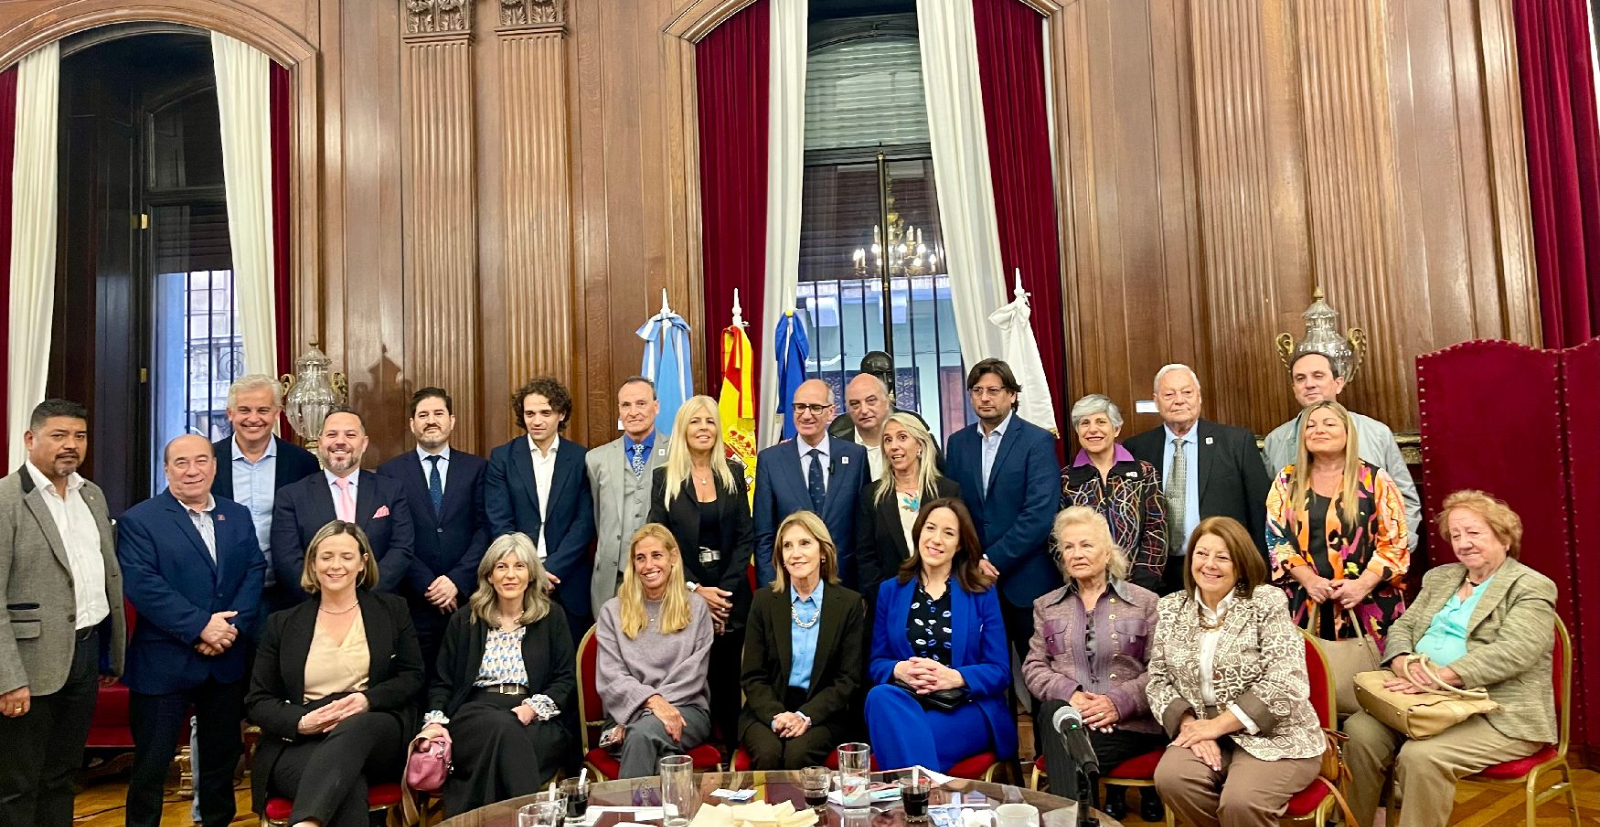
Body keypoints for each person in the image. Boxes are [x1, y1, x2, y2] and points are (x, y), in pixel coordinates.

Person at [1344, 491, 1557, 827]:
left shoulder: (1530, 586)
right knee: (1358, 731)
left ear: (1504, 536)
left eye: (1474, 533)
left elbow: (1515, 651)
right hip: (1423, 701)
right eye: (1456, 535)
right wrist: (1401, 661)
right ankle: (1356, 823)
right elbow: (1404, 627)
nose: (1464, 543)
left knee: (1421, 757)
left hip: (1497, 712)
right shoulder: (1441, 577)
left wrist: (1437, 677)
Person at [117, 435, 267, 827]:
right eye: (180, 463)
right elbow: (143, 585)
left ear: (215, 466)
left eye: (201, 461)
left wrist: (230, 629)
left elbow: (254, 570)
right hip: (163, 663)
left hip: (225, 661)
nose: (192, 470)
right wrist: (202, 627)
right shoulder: (140, 520)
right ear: (166, 469)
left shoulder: (236, 515)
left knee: (220, 763)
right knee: (151, 767)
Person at [1148, 516, 1325, 827]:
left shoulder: (1266, 601)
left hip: (1275, 736)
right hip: (1202, 728)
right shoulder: (1170, 607)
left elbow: (1287, 682)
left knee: (1241, 803)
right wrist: (1190, 726)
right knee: (1172, 778)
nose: (1209, 564)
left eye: (1223, 557)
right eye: (1201, 554)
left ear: (1240, 564)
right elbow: (1158, 680)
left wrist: (1216, 727)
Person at [0, 399, 127, 827]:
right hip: (28, 667)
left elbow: (103, 576)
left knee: (61, 776)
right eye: (58, 436)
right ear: (30, 439)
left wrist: (110, 651)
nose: (70, 445)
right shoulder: (5, 500)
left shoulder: (90, 494)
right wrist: (9, 678)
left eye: (79, 436)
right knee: (18, 785)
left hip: (85, 655)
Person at [246, 521, 423, 827]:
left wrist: (367, 700)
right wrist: (300, 722)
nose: (335, 565)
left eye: (346, 556)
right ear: (312, 564)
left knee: (358, 728)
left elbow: (412, 676)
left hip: (375, 730)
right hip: (302, 743)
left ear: (363, 563)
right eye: (326, 556)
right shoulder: (282, 623)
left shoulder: (392, 610)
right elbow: (257, 700)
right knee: (348, 787)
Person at [1023, 507, 1163, 823]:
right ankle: (1080, 820)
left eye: (1086, 545)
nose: (1077, 554)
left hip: (1129, 724)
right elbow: (1034, 666)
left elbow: (1162, 670)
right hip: (1070, 721)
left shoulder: (1145, 602)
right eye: (1068, 547)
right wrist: (1070, 694)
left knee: (1067, 750)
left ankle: (1070, 819)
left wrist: (1117, 703)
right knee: (1054, 714)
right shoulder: (1046, 606)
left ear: (1107, 552)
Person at [418, 533, 575, 816]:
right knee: (503, 730)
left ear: (531, 574)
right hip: (475, 714)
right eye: (501, 567)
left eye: (519, 566)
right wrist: (435, 723)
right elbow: (442, 682)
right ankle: (537, 819)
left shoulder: (552, 617)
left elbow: (565, 679)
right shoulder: (465, 620)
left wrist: (531, 709)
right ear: (489, 576)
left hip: (533, 717)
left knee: (508, 744)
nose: (510, 575)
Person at [865, 498, 1017, 772]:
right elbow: (878, 662)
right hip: (909, 702)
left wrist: (953, 677)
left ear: (959, 544)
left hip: (967, 707)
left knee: (904, 739)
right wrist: (900, 670)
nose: (936, 539)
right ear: (919, 532)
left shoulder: (981, 592)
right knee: (879, 697)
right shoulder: (891, 590)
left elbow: (1000, 670)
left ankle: (915, 805)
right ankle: (931, 804)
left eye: (948, 533)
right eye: (930, 528)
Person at [648, 395, 753, 749]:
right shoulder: (665, 479)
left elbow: (745, 537)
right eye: (695, 421)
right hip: (683, 598)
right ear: (682, 429)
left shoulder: (734, 473)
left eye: (710, 421)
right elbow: (660, 543)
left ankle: (731, 757)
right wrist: (696, 590)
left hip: (731, 598)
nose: (703, 428)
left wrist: (721, 595)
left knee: (730, 680)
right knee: (694, 679)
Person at [944, 359, 1060, 661]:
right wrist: (973, 560)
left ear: (1012, 395)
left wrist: (991, 559)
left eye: (993, 390)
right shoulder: (957, 443)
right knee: (985, 673)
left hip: (1026, 581)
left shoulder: (1037, 441)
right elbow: (953, 509)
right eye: (977, 390)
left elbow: (1040, 513)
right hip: (973, 579)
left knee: (1039, 674)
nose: (984, 398)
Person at [377, 387, 490, 691]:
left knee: (466, 680)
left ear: (452, 421)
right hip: (414, 600)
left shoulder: (477, 468)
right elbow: (393, 535)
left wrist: (456, 580)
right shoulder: (390, 472)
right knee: (419, 682)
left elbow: (484, 529)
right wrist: (428, 584)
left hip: (467, 598)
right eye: (423, 415)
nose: (431, 421)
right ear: (412, 423)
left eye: (438, 414)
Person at [1265, 401, 1409, 640]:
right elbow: (1276, 539)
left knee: (1367, 676)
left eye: (1329, 423)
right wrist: (1310, 580)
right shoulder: (1286, 480)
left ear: (1347, 433)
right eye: (1310, 426)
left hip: (1369, 603)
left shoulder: (1377, 480)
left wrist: (1361, 585)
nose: (1318, 430)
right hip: (1304, 602)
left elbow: (1395, 544)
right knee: (1311, 674)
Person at [1124, 364, 1271, 588]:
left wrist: (1259, 574)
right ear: (1156, 401)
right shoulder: (1137, 449)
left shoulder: (1236, 443)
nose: (1179, 400)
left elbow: (1259, 510)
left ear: (1199, 397)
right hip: (1158, 574)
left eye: (1187, 392)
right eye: (1169, 394)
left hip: (1222, 569)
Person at [739, 511, 865, 769]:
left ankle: (807, 812)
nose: (795, 553)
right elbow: (753, 676)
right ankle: (769, 811)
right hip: (767, 709)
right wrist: (777, 716)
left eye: (804, 543)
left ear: (822, 551)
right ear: (781, 558)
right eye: (787, 546)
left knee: (798, 754)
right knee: (768, 752)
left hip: (823, 713)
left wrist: (805, 716)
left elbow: (847, 680)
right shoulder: (764, 602)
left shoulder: (849, 604)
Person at [1261, 351, 1420, 551]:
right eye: (1300, 378)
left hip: (1374, 563)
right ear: (1294, 388)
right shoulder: (1275, 441)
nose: (1309, 384)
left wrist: (1398, 549)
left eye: (1318, 375)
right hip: (1302, 568)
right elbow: (1271, 511)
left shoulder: (1377, 433)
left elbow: (1405, 499)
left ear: (1339, 383)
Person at [593, 525, 714, 779]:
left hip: (686, 710)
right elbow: (611, 677)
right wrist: (651, 704)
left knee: (639, 735)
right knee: (653, 750)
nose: (649, 565)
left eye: (656, 555)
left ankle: (630, 816)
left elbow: (692, 677)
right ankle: (673, 814)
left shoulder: (696, 607)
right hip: (626, 713)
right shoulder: (612, 612)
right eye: (640, 558)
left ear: (673, 557)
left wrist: (647, 712)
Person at [486, 377, 596, 646]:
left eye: (545, 413)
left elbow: (585, 523)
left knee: (568, 668)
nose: (537, 421)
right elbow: (499, 520)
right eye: (530, 413)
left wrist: (552, 569)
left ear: (561, 414)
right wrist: (529, 570)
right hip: (517, 580)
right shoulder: (503, 457)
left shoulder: (582, 458)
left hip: (569, 580)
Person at [271, 408, 416, 600]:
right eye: (332, 434)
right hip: (314, 607)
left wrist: (363, 596)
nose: (340, 441)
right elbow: (287, 559)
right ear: (320, 442)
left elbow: (401, 549)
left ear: (364, 444)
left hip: (378, 604)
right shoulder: (291, 496)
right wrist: (327, 599)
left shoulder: (391, 491)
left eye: (350, 434)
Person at [211, 374, 320, 609]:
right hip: (223, 593)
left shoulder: (303, 463)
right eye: (244, 410)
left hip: (286, 594)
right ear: (230, 413)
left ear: (277, 413)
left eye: (262, 410)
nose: (253, 418)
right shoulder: (208, 461)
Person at [752, 379, 869, 588]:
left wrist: (864, 593)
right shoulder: (771, 461)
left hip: (845, 585)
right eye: (799, 407)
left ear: (831, 412)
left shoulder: (855, 457)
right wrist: (770, 593)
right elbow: (764, 537)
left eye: (815, 407)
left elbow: (864, 534)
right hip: (789, 586)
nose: (806, 415)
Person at [1060, 394, 1167, 593]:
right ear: (1077, 431)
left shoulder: (1144, 473)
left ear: (1116, 429)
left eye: (1101, 422)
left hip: (1140, 586)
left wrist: (1141, 585)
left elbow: (1156, 530)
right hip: (1084, 587)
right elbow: (1056, 538)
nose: (1093, 430)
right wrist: (1084, 581)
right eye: (1084, 423)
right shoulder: (1066, 480)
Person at [856, 412, 961, 605]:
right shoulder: (872, 495)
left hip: (943, 600)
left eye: (902, 437)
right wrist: (884, 597)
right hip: (890, 600)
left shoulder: (947, 490)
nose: (894, 446)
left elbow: (959, 549)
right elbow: (865, 557)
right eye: (887, 440)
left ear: (920, 445)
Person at [585, 377, 666, 617]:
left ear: (656, 406)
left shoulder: (678, 453)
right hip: (611, 580)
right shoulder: (596, 460)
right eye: (626, 405)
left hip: (662, 577)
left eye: (641, 403)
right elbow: (597, 517)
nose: (633, 412)